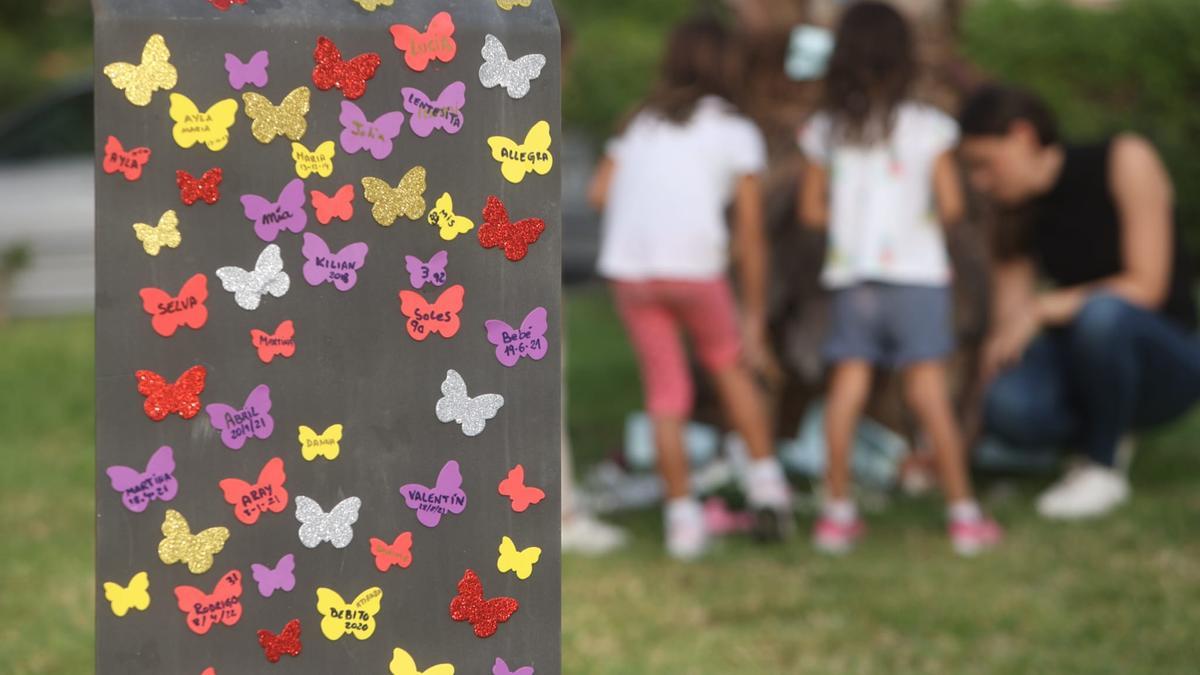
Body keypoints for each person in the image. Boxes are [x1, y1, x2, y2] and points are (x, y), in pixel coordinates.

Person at [797, 1, 1001, 555]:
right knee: (929, 393)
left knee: (846, 390)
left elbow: (812, 212)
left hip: (852, 278)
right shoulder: (929, 127)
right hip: (916, 273)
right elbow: (953, 206)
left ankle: (836, 514)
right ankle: (963, 514)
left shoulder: (827, 129)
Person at [588, 15, 792, 561]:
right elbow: (750, 234)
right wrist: (752, 316)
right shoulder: (735, 129)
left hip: (633, 271)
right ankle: (768, 484)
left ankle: (682, 520)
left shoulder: (639, 123)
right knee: (729, 364)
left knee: (665, 394)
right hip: (697, 268)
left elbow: (600, 192)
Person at [959, 85, 1200, 519]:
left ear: (1023, 137)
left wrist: (1042, 307)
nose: (981, 181)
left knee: (1102, 314)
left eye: (984, 164)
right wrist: (958, 444)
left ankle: (1101, 467)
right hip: (1084, 359)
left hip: (1168, 357)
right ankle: (1080, 440)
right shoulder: (1016, 215)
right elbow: (1005, 337)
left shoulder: (1124, 158)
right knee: (1007, 402)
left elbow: (1147, 286)